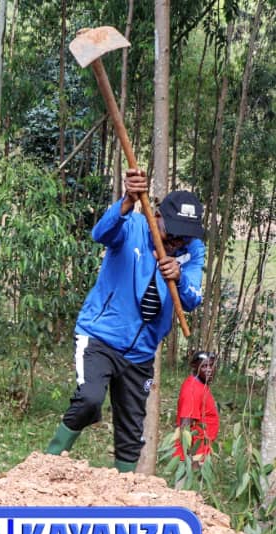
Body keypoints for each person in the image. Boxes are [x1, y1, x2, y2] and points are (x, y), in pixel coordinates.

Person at [45, 169, 206, 473]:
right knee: (90, 399)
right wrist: (126, 203)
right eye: (171, 232)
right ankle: (48, 460)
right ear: (156, 216)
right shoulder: (131, 225)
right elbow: (100, 234)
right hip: (100, 337)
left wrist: (180, 277)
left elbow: (192, 298)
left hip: (141, 353)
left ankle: (124, 493)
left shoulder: (191, 251)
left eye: (184, 236)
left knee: (131, 430)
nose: (175, 241)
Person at [173, 351, 219, 464]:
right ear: (194, 366)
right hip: (193, 454)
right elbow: (185, 426)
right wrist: (190, 460)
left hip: (202, 449)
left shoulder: (200, 384)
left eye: (211, 365)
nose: (209, 370)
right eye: (204, 366)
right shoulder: (192, 390)